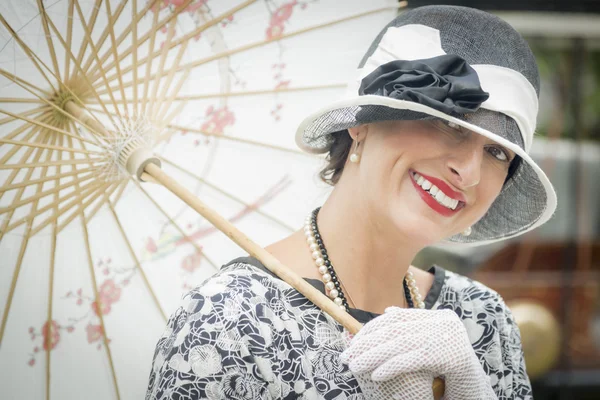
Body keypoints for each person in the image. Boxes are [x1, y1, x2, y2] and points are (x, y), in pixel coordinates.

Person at [146, 5, 556, 400]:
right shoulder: (229, 321)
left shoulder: (484, 321)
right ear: (362, 122)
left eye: (497, 152)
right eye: (449, 123)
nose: (469, 171)